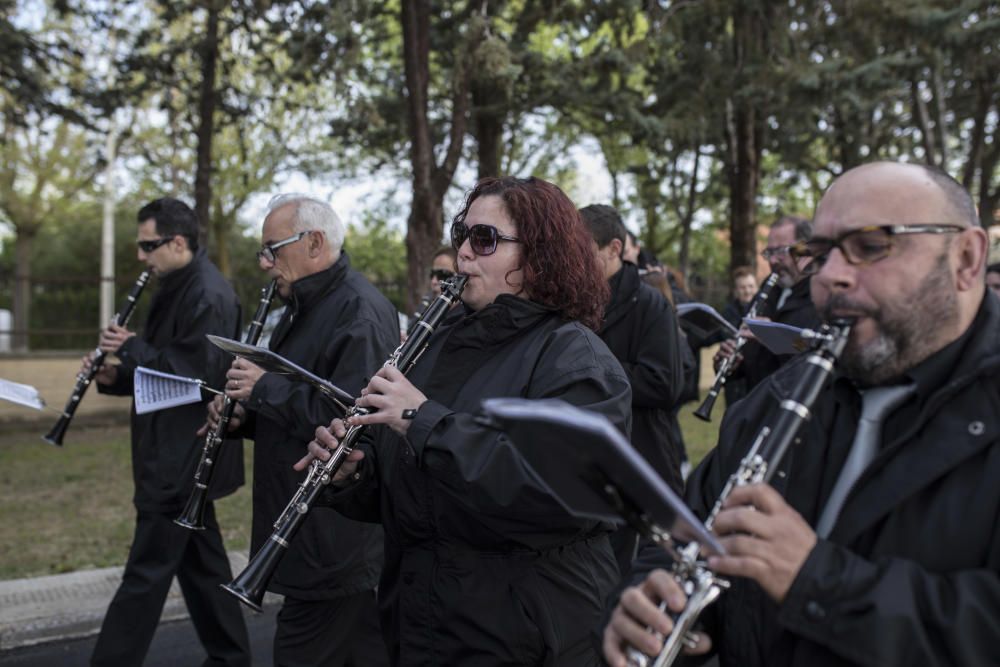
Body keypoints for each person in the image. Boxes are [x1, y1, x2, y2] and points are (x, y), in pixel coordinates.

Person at [604, 161, 999, 667]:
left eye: (872, 246)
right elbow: (688, 535)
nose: (831, 275)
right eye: (821, 253)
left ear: (966, 258)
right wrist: (648, 601)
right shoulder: (775, 400)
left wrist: (818, 582)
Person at [304, 176, 632, 665]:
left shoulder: (575, 358)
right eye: (463, 235)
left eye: (485, 240)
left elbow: (559, 495)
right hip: (425, 624)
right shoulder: (438, 343)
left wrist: (423, 420)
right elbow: (423, 493)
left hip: (524, 633)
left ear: (539, 256)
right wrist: (358, 474)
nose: (462, 255)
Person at [209, 194, 398, 666]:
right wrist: (243, 418)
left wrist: (265, 390)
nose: (264, 262)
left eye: (272, 248)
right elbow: (300, 410)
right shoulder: (303, 306)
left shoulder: (359, 312)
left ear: (314, 243)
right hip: (310, 534)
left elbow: (356, 422)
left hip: (335, 539)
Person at [86, 197, 250, 667]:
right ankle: (232, 658)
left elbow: (193, 376)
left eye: (147, 245)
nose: (141, 256)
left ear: (177, 242)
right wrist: (114, 377)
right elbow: (162, 370)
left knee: (144, 576)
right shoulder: (176, 283)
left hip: (184, 455)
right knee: (203, 569)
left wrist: (131, 347)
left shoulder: (209, 294)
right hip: (169, 448)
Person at [579, 204, 686, 572]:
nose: (574, 260)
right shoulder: (574, 301)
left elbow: (665, 384)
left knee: (640, 572)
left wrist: (590, 370)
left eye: (584, 250)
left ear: (615, 249)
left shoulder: (651, 303)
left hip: (641, 460)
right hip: (588, 465)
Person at [717, 215, 821, 393]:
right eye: (770, 253)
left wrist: (778, 338)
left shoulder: (822, 294)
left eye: (781, 251)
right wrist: (732, 363)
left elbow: (816, 349)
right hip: (758, 404)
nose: (772, 261)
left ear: (805, 250)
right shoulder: (769, 288)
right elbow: (753, 355)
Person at [718, 266, 759, 406]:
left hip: (756, 380)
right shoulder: (728, 313)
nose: (747, 291)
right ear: (736, 291)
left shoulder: (766, 312)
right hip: (734, 384)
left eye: (751, 286)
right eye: (742, 287)